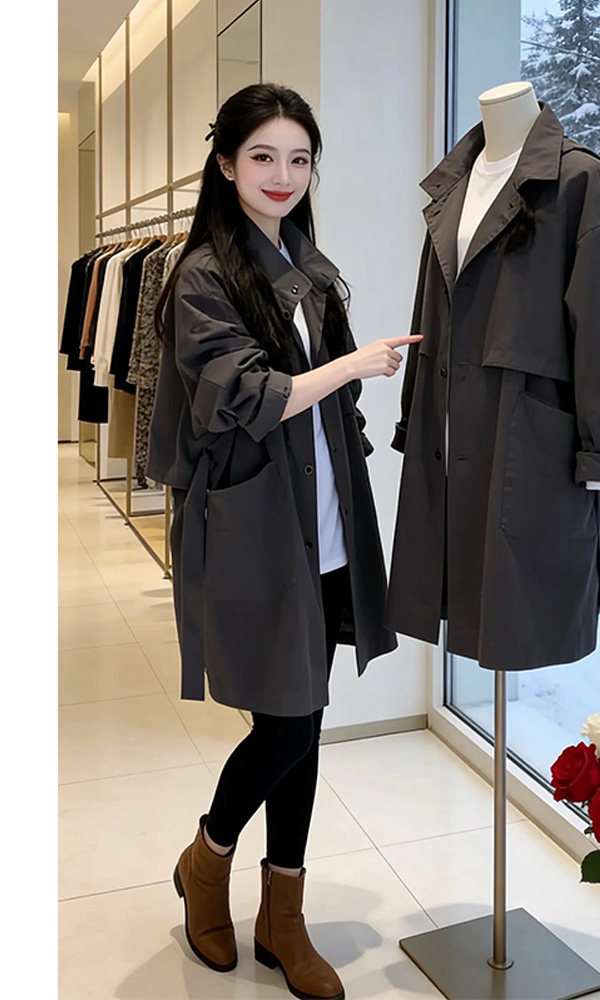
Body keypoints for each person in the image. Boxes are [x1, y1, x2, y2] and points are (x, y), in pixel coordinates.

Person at [146, 83, 421, 1000]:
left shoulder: (308, 265)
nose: (283, 175)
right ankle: (208, 858)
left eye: (300, 159)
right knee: (290, 719)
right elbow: (247, 394)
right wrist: (355, 363)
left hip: (324, 516)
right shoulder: (201, 276)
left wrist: (350, 385)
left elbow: (325, 405)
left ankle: (282, 917)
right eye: (263, 156)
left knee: (304, 714)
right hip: (258, 523)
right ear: (225, 164)